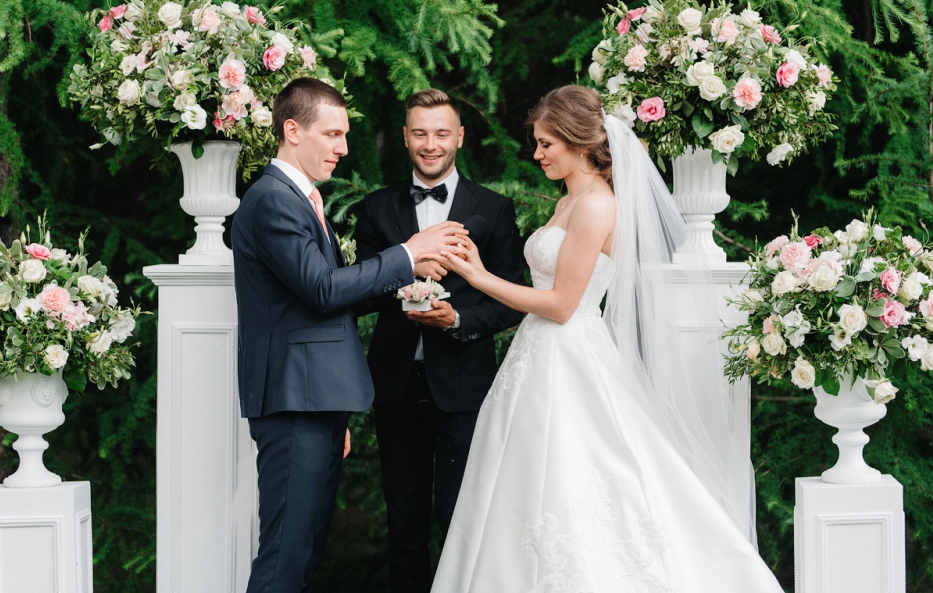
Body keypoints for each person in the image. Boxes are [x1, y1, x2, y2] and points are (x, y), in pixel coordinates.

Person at [430, 85, 784, 592]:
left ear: (578, 143)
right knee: (524, 478)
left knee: (580, 471)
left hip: (569, 354)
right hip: (538, 354)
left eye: (546, 144)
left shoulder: (595, 205)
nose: (537, 154)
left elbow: (561, 304)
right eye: (537, 143)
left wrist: (479, 275)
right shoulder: (569, 200)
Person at [231, 78, 468, 593]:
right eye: (332, 134)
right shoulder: (273, 200)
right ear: (293, 131)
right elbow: (321, 289)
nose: (342, 147)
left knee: (304, 551)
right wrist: (407, 253)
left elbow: (328, 299)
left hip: (315, 400)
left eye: (344, 135)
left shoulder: (300, 199)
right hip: (295, 401)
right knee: (284, 557)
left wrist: (333, 406)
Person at [353, 89, 526, 593]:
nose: (431, 144)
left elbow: (513, 299)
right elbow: (359, 292)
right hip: (396, 387)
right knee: (404, 523)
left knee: (462, 521)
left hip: (465, 388)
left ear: (460, 138)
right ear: (406, 138)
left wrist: (458, 319)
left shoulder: (493, 209)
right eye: (421, 133)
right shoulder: (376, 208)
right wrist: (404, 271)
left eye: (442, 133)